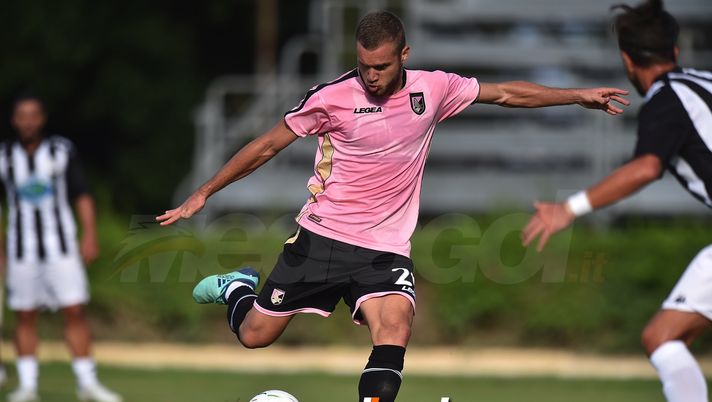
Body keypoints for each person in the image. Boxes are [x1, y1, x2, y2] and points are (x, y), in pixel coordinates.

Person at [158, 11, 628, 402]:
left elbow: (506, 93)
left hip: (385, 247)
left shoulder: (433, 89)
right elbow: (265, 146)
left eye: (381, 66)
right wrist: (205, 191)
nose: (371, 76)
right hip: (323, 235)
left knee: (395, 326)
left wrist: (577, 95)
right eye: (364, 66)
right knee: (255, 335)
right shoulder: (332, 97)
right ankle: (239, 287)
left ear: (404, 55)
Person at [522, 1, 711, 401]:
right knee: (662, 336)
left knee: (663, 339)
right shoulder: (705, 82)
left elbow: (645, 167)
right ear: (674, 51)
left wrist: (568, 208)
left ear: (627, 60)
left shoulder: (666, 100)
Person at [0, 95, 121, 402]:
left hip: (61, 246)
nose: (28, 121)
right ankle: (28, 386)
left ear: (42, 118)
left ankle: (87, 383)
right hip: (21, 248)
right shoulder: (4, 156)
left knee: (75, 310)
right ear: (14, 120)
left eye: (33, 115)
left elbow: (81, 193)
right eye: (22, 115)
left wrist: (89, 234)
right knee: (24, 315)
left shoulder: (60, 151)